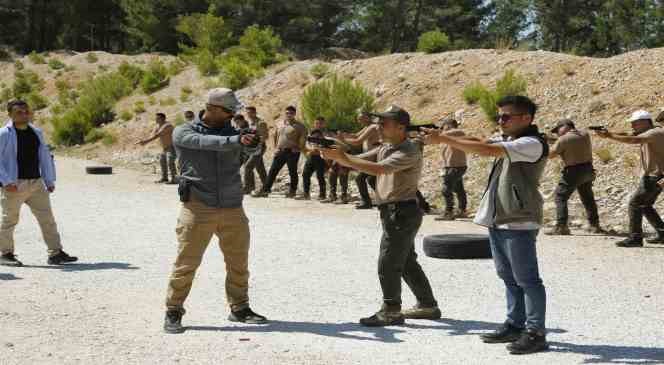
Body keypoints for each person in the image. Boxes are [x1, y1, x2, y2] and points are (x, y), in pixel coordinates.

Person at [425, 95, 549, 355]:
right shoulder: (512, 140)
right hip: (500, 219)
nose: (500, 121)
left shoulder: (531, 143)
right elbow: (481, 143)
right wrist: (442, 134)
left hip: (519, 218)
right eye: (499, 116)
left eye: (506, 117)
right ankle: (515, 324)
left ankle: (536, 332)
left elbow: (487, 150)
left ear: (526, 119)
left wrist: (444, 139)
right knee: (508, 277)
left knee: (527, 279)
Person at [321, 105, 440, 327]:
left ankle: (391, 310)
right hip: (395, 211)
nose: (379, 127)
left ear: (401, 127)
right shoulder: (388, 146)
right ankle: (427, 305)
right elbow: (360, 158)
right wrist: (335, 151)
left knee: (388, 262)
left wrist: (341, 156)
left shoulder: (408, 150)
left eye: (385, 123)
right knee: (405, 262)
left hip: (402, 212)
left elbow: (378, 169)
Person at [164, 88, 267, 334]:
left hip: (232, 206)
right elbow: (205, 142)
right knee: (186, 263)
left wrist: (253, 144)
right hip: (198, 207)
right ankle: (173, 310)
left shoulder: (233, 132)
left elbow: (250, 151)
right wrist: (236, 140)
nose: (233, 114)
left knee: (238, 262)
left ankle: (240, 307)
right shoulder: (184, 131)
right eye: (229, 110)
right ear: (211, 108)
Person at [0, 100, 78, 267]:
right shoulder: (4, 134)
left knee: (47, 219)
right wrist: (5, 181)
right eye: (19, 112)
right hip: (14, 185)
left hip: (36, 184)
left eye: (26, 111)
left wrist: (49, 180)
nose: (24, 115)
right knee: (9, 221)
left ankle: (55, 253)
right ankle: (5, 254)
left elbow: (44, 157)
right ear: (10, 115)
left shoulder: (36, 132)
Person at [595, 110, 664, 247]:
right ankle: (662, 233)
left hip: (654, 176)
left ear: (645, 122)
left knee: (634, 204)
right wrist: (609, 133)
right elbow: (629, 134)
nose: (632, 126)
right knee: (645, 205)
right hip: (654, 176)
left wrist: (609, 136)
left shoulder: (655, 133)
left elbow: (634, 139)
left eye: (635, 123)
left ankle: (635, 238)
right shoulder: (652, 132)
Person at [546, 119, 602, 235]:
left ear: (565, 127)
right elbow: (572, 142)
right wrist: (556, 141)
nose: (557, 133)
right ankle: (594, 225)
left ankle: (561, 226)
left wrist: (546, 144)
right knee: (587, 198)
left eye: (558, 130)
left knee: (560, 197)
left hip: (573, 171)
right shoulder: (584, 135)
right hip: (588, 169)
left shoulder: (563, 139)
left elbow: (551, 155)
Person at [253, 106, 306, 198]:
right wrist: (275, 148)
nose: (288, 115)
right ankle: (265, 190)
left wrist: (299, 148)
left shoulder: (299, 126)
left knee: (292, 172)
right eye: (287, 113)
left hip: (292, 152)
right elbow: (275, 136)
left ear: (294, 114)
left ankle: (292, 191)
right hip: (280, 151)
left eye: (291, 113)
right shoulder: (280, 124)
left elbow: (303, 139)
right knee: (273, 171)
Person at [339, 112, 380, 209]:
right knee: (371, 180)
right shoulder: (368, 127)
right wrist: (344, 135)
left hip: (373, 160)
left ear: (368, 118)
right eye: (359, 119)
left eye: (362, 118)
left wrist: (343, 139)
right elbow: (356, 136)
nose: (359, 121)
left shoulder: (372, 127)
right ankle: (382, 200)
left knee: (360, 179)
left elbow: (358, 141)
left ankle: (368, 202)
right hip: (371, 159)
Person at [435, 117, 468, 221]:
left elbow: (443, 135)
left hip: (456, 167)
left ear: (448, 125)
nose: (442, 128)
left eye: (443, 126)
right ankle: (462, 210)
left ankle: (448, 212)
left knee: (446, 189)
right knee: (459, 189)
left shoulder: (457, 132)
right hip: (452, 166)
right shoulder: (449, 137)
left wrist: (438, 132)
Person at [136, 113, 177, 184]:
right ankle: (165, 178)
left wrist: (145, 142)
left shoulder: (167, 125)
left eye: (157, 118)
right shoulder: (157, 126)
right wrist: (143, 140)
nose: (156, 119)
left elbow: (157, 135)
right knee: (162, 161)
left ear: (163, 118)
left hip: (172, 147)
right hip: (164, 148)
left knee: (170, 161)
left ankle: (175, 179)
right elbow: (153, 135)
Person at [297, 117, 329, 200]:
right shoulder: (311, 133)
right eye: (317, 123)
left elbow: (329, 145)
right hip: (311, 156)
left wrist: (320, 149)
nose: (318, 125)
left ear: (324, 124)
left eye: (320, 123)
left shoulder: (327, 134)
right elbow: (307, 144)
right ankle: (306, 194)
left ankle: (322, 195)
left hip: (321, 157)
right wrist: (309, 150)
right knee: (305, 174)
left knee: (320, 176)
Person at [242, 106, 269, 194]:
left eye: (250, 112)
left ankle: (248, 187)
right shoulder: (249, 123)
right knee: (260, 168)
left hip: (258, 148)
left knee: (248, 166)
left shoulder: (261, 123)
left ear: (255, 112)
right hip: (250, 148)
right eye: (247, 113)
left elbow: (265, 137)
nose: (248, 114)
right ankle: (266, 186)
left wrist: (255, 141)